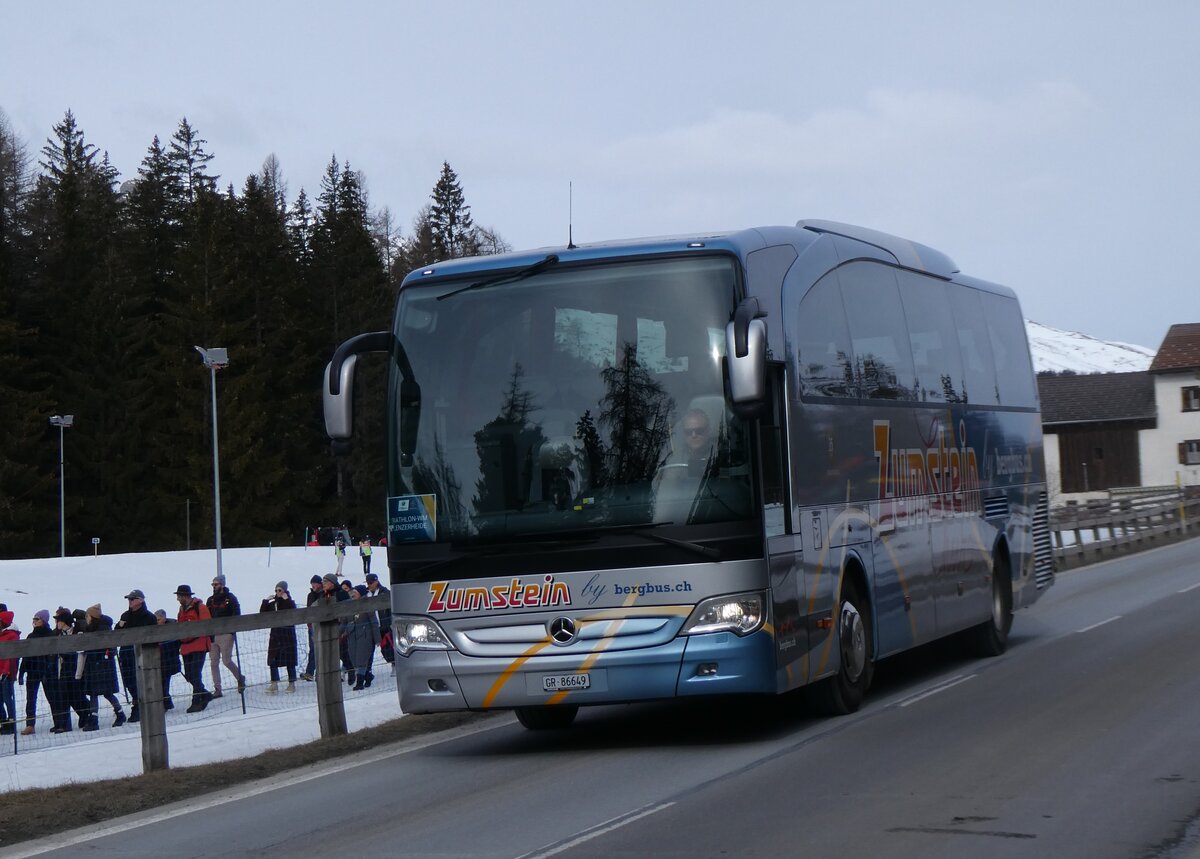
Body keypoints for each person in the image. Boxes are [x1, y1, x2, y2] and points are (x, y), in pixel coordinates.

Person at [81, 604, 126, 728]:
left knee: (97, 692)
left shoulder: (100, 629)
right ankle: (118, 714)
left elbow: (102, 646)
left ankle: (94, 720)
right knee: (105, 692)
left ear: (92, 616)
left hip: (100, 664)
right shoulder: (97, 628)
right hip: (99, 664)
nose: (86, 618)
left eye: (87, 615)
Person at [115, 589, 156, 723]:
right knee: (129, 682)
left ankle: (143, 707)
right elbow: (117, 634)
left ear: (141, 600)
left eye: (132, 599)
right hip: (126, 655)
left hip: (144, 654)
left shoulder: (149, 617)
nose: (130, 601)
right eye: (129, 599)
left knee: (144, 681)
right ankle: (137, 703)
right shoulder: (125, 616)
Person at [50, 609, 93, 733]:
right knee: (64, 695)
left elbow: (81, 653)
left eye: (59, 620)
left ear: (65, 622)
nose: (57, 623)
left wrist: (79, 673)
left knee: (76, 696)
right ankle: (64, 724)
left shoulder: (77, 633)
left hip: (76, 669)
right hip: (64, 669)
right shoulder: (59, 635)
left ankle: (86, 714)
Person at [206, 574, 246, 698]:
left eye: (216, 584)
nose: (214, 586)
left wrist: (232, 629)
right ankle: (217, 689)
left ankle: (240, 677)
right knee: (213, 663)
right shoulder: (210, 600)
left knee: (226, 660)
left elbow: (236, 613)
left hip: (226, 633)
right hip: (213, 634)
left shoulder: (230, 598)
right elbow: (207, 616)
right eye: (213, 584)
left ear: (222, 585)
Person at [175, 585, 214, 713]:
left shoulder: (201, 608)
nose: (177, 599)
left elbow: (207, 625)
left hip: (199, 644)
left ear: (185, 596)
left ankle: (197, 701)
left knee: (195, 674)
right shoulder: (181, 610)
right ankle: (204, 694)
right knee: (189, 675)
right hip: (186, 646)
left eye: (179, 596)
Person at [17, 610, 55, 735]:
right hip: (32, 671)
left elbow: (52, 656)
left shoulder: (50, 634)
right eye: (34, 619)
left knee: (52, 697)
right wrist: (21, 673)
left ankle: (59, 721)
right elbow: (26, 656)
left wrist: (48, 669)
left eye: (37, 619)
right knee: (31, 698)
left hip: (46, 672)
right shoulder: (31, 636)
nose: (34, 621)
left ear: (43, 620)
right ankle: (30, 725)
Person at [259, 582, 298, 693]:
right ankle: (274, 683)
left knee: (289, 660)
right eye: (276, 590)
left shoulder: (289, 602)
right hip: (275, 635)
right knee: (272, 659)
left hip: (287, 635)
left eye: (280, 590)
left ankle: (292, 683)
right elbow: (262, 614)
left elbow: (293, 613)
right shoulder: (273, 604)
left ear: (285, 591)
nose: (277, 592)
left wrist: (287, 600)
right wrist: (265, 601)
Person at [343, 585, 379, 690]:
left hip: (364, 635)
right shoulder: (349, 606)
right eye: (352, 592)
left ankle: (359, 683)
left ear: (361, 593)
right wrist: (338, 634)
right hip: (352, 635)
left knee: (361, 659)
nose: (352, 594)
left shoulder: (367, 605)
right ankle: (368, 676)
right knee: (354, 659)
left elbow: (374, 622)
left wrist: (377, 639)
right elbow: (344, 621)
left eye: (355, 592)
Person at [155, 609, 181, 710]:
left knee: (164, 682)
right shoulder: (156, 629)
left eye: (159, 619)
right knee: (162, 682)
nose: (157, 621)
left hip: (169, 659)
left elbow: (175, 643)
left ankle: (166, 702)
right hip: (160, 660)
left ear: (164, 618)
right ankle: (167, 702)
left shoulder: (171, 628)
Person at [364, 573, 393, 665]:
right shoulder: (366, 595)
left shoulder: (385, 593)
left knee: (387, 646)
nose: (369, 585)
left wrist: (390, 623)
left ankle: (393, 663)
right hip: (372, 626)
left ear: (376, 582)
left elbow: (391, 608)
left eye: (371, 583)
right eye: (368, 583)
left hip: (384, 625)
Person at [300, 574, 323, 682]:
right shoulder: (311, 595)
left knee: (320, 649)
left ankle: (318, 672)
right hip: (312, 625)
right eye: (312, 583)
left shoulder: (323, 594)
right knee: (313, 649)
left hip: (321, 625)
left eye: (315, 583)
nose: (313, 585)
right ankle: (310, 672)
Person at [0, 610, 18, 735]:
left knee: (8, 697)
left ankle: (11, 722)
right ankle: (3, 720)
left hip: (6, 673)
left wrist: (6, 671)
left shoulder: (11, 636)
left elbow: (11, 657)